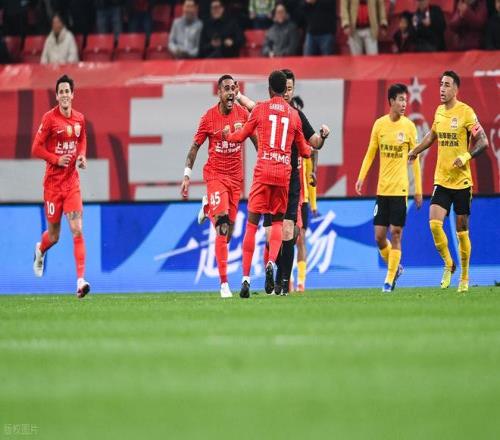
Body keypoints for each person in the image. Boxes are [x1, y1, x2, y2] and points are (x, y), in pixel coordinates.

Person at [235, 70, 329, 296]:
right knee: (273, 233)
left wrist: (322, 136)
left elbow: (314, 142)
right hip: (282, 175)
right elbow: (309, 148)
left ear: (292, 90)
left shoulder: (296, 115)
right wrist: (238, 96)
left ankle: (282, 283)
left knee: (289, 232)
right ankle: (276, 275)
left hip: (290, 180)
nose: (287, 93)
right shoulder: (284, 114)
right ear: (280, 89)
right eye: (285, 88)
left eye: (290, 89)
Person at [408, 71, 489, 293]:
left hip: (462, 182)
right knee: (434, 224)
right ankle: (448, 264)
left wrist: (466, 156)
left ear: (456, 89)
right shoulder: (439, 111)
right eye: (441, 84)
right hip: (442, 180)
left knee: (462, 231)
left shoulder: (466, 113)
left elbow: (483, 141)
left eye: (446, 85)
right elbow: (432, 136)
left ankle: (464, 277)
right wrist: (415, 150)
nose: (442, 89)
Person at [180, 75, 256, 299]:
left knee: (228, 234)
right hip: (215, 176)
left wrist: (266, 158)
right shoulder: (208, 118)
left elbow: (256, 141)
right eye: (226, 89)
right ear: (219, 93)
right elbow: (195, 147)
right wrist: (187, 176)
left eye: (233, 88)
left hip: (235, 180)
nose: (231, 92)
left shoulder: (243, 114)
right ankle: (224, 285)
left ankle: (207, 209)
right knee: (222, 226)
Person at [356, 83, 423, 293]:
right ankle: (396, 268)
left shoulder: (409, 127)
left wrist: (418, 189)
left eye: (406, 100)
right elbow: (370, 153)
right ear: (391, 101)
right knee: (379, 237)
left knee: (396, 234)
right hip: (382, 190)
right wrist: (361, 177)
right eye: (400, 99)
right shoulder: (380, 125)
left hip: (400, 190)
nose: (404, 104)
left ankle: (389, 279)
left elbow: (415, 161)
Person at [32, 74, 90, 298]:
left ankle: (80, 281)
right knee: (54, 236)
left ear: (73, 95)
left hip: (71, 183)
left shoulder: (80, 119)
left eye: (67, 91)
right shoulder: (49, 119)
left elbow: (82, 139)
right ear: (57, 96)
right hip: (53, 186)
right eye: (61, 92)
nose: (65, 95)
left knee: (77, 229)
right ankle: (40, 249)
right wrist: (56, 159)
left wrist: (82, 155)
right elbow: (36, 148)